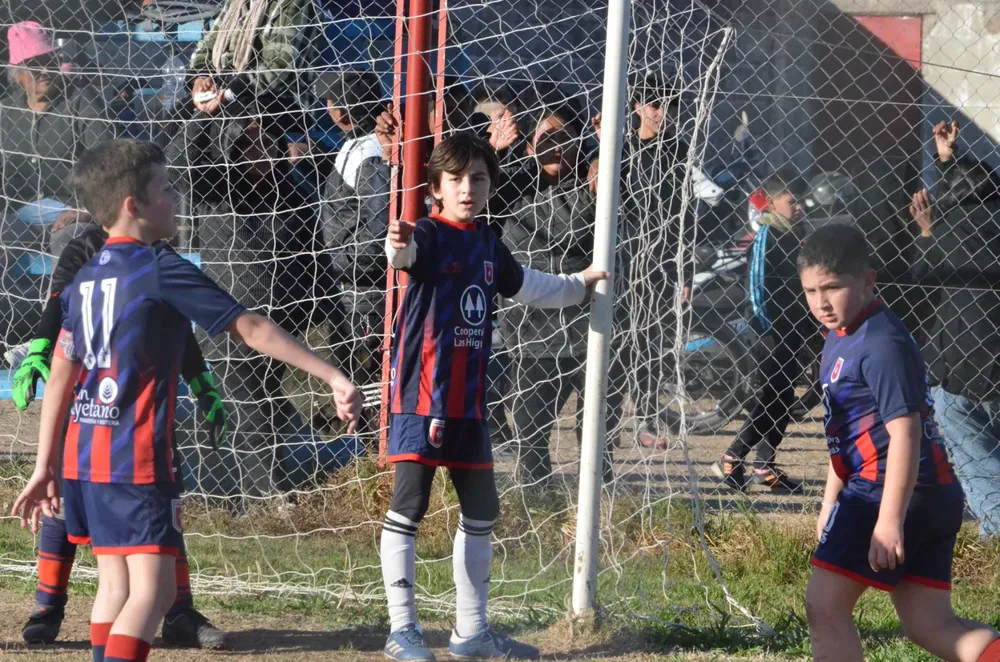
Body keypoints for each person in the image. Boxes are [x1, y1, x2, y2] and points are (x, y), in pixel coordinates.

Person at [10, 138, 360, 662]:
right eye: (166, 188)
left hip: (85, 455)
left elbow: (61, 373)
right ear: (135, 206)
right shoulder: (155, 267)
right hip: (135, 457)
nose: (176, 197)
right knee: (156, 592)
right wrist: (331, 373)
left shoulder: (82, 279)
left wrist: (45, 465)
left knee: (116, 586)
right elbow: (251, 326)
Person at [380, 132, 606, 660]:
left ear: (489, 186)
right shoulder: (431, 235)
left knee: (483, 508)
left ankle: (471, 633)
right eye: (456, 179)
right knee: (408, 507)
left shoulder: (488, 243)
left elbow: (526, 284)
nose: (467, 188)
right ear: (436, 187)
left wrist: (580, 284)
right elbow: (403, 255)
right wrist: (397, 243)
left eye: (477, 179)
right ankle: (402, 631)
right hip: (422, 399)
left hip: (471, 403)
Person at [11, 221, 228, 649]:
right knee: (62, 500)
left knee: (163, 507)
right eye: (162, 189)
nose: (175, 210)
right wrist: (39, 347)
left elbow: (178, 326)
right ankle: (49, 604)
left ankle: (179, 612)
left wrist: (201, 381)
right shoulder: (88, 249)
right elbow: (59, 305)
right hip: (87, 397)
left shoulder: (158, 257)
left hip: (143, 407)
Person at [798, 223, 1000, 662]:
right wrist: (830, 501)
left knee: (825, 605)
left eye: (832, 287)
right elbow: (846, 432)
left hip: (888, 491)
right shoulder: (841, 335)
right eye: (811, 291)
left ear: (868, 280)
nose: (821, 303)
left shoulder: (881, 343)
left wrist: (889, 521)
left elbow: (904, 434)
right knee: (931, 625)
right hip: (924, 493)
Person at [168, 115, 343, 496]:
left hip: (290, 328)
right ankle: (271, 502)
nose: (258, 151)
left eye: (265, 142)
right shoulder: (216, 190)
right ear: (230, 151)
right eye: (246, 145)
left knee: (304, 413)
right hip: (231, 330)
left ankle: (351, 475)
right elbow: (181, 163)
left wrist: (333, 320)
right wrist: (203, 115)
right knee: (252, 420)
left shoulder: (292, 194)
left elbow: (318, 262)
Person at [500, 102, 623, 485]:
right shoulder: (509, 195)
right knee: (530, 440)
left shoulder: (591, 191)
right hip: (532, 340)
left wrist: (611, 148)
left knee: (597, 439)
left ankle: (601, 510)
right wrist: (497, 150)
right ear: (529, 146)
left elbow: (606, 195)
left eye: (565, 138)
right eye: (546, 138)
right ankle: (537, 506)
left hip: (593, 336)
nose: (556, 147)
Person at [908, 121, 1000, 539]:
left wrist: (926, 231)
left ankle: (996, 532)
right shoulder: (987, 223)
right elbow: (975, 189)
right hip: (987, 367)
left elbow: (918, 289)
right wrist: (949, 159)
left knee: (977, 463)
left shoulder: (944, 236)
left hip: (959, 372)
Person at [712, 170, 812, 493]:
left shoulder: (795, 234)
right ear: (770, 203)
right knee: (770, 398)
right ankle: (732, 457)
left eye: (801, 201)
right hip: (771, 332)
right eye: (792, 201)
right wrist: (768, 328)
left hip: (793, 328)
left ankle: (764, 465)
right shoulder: (768, 234)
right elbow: (757, 286)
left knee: (784, 399)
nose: (799, 207)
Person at [1, 21, 115, 256]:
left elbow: (106, 161)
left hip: (71, 212)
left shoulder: (81, 101)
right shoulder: (6, 110)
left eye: (50, 61)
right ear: (18, 74)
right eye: (34, 64)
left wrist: (86, 209)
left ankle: (60, 295)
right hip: (15, 213)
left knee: (68, 244)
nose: (44, 70)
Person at [315, 69, 390, 399]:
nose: (330, 109)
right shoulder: (359, 146)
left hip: (365, 291)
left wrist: (345, 264)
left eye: (332, 101)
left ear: (341, 110)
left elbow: (378, 228)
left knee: (370, 386)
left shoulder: (368, 152)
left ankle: (378, 449)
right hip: (357, 286)